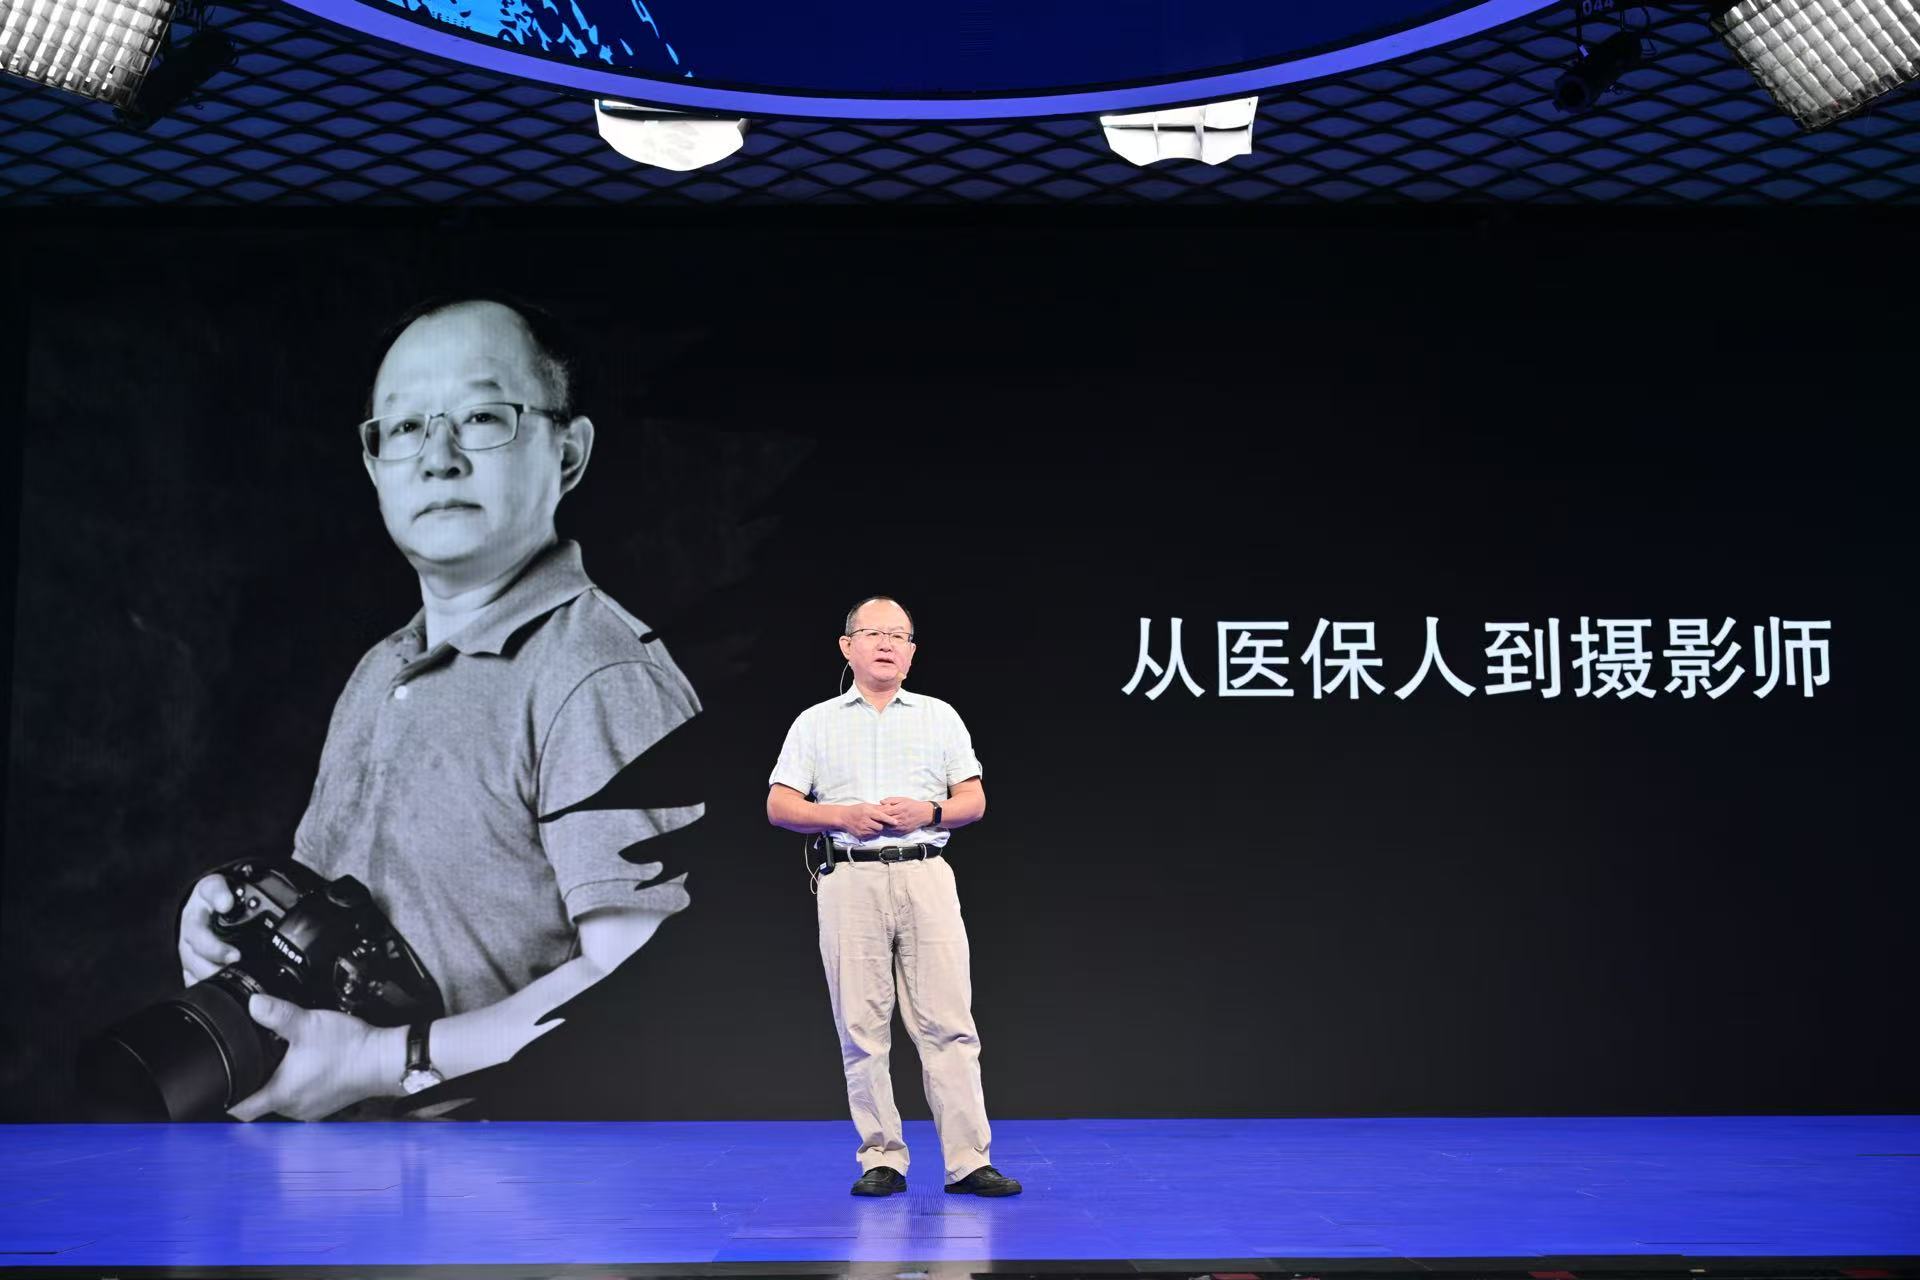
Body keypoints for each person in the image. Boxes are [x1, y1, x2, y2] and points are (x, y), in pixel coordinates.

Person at [175, 297, 701, 1120]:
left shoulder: (600, 677)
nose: (439, 459)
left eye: (482, 417)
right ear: (374, 463)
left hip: (513, 1180)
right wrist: (233, 939)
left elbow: (639, 990)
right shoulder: (381, 669)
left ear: (568, 453)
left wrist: (385, 1063)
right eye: (406, 427)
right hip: (358, 1174)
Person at [766, 597, 1021, 1197]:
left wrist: (928, 810)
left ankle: (968, 1161)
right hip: (850, 877)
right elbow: (780, 805)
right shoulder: (815, 722)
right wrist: (842, 816)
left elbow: (973, 801)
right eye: (873, 633)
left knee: (949, 1023)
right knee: (861, 1025)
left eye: (898, 635)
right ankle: (881, 1157)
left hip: (925, 872)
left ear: (911, 652)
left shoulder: (939, 716)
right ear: (847, 646)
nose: (886, 643)